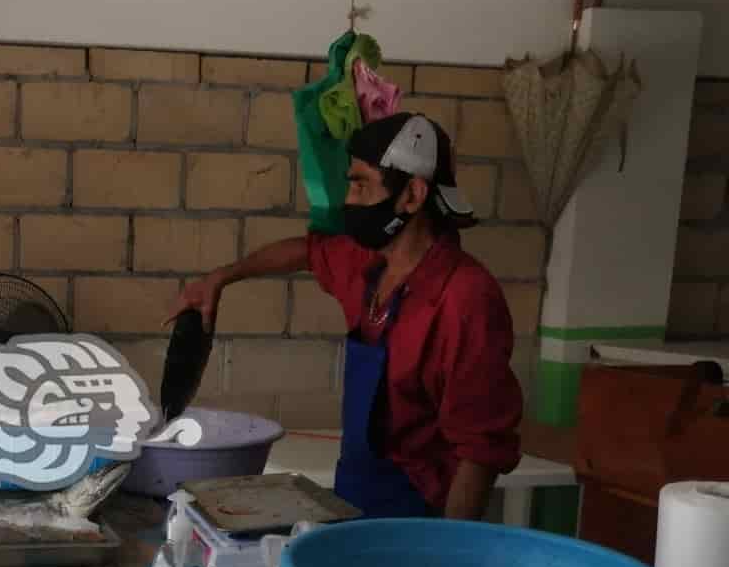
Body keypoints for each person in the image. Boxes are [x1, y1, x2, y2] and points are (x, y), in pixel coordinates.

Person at [171, 112, 523, 521]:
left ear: (412, 194)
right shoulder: (368, 264)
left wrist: (447, 553)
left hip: (421, 517)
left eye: (361, 185)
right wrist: (220, 278)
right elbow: (305, 251)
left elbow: (480, 453)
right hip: (353, 497)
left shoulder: (465, 298)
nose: (349, 201)